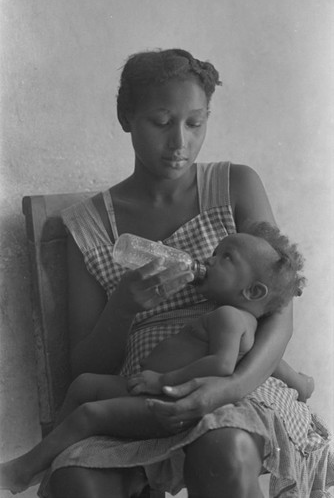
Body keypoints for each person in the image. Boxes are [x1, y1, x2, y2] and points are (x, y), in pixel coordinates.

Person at [16, 48, 334, 497]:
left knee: (224, 448)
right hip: (143, 391)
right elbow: (84, 369)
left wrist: (229, 387)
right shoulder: (87, 228)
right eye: (162, 123)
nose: (179, 142)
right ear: (127, 117)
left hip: (239, 384)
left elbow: (279, 309)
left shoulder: (235, 185)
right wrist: (123, 307)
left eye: (195, 123)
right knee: (76, 484)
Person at [0, 222, 314, 495]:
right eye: (215, 251)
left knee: (89, 414)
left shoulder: (229, 318)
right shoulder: (240, 322)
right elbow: (275, 366)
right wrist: (302, 383)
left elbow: (221, 366)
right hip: (153, 388)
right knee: (84, 385)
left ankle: (25, 470)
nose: (210, 259)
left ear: (254, 292)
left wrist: (163, 379)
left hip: (172, 401)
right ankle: (48, 454)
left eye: (226, 258)